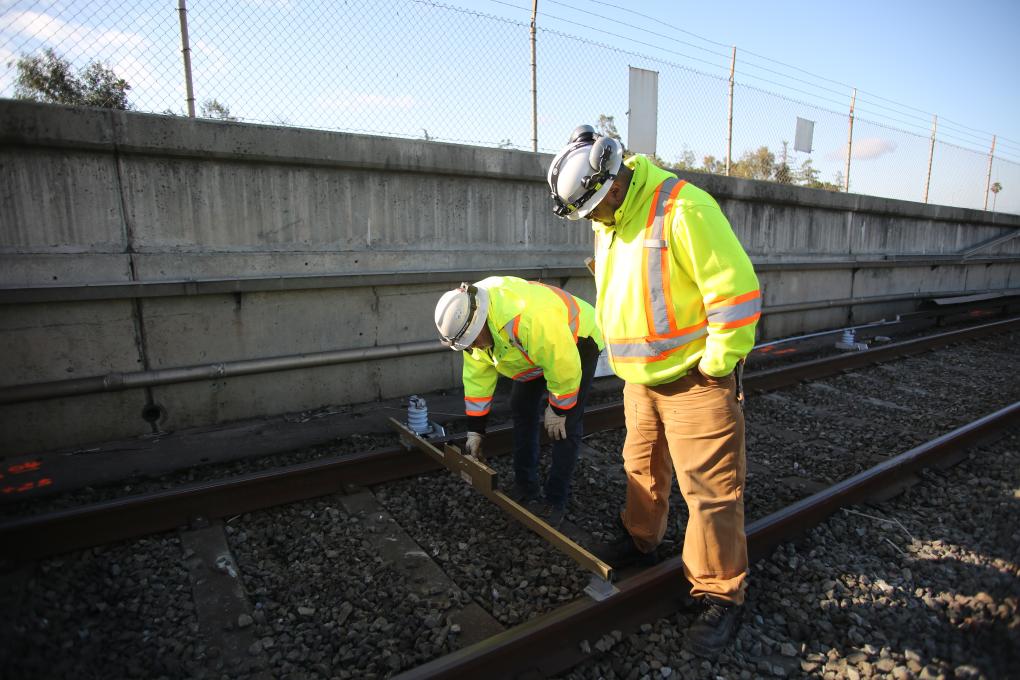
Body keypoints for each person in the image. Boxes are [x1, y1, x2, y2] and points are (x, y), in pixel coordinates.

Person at [547, 125, 761, 658]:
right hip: (640, 382)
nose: (593, 218)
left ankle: (719, 593)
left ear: (615, 180)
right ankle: (641, 539)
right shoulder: (611, 216)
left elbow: (736, 294)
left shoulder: (683, 209)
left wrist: (715, 367)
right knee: (641, 468)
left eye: (596, 207)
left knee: (709, 494)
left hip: (694, 381)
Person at [434, 275, 604, 527]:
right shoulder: (470, 331)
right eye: (469, 346)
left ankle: (555, 500)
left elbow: (563, 362)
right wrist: (475, 430)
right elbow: (477, 378)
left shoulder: (526, 318)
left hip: (578, 340)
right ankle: (526, 487)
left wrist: (558, 408)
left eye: (475, 342)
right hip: (529, 352)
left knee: (564, 427)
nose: (475, 348)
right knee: (521, 408)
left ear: (480, 323)